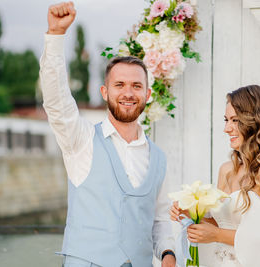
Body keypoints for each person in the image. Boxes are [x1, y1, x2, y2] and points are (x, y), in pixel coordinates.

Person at [40, 2, 176, 267]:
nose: (128, 93)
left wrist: (168, 254)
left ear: (147, 96)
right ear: (105, 92)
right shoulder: (80, 141)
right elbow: (56, 101)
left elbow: (160, 220)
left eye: (137, 86)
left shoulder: (158, 159)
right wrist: (55, 36)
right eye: (119, 85)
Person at [170, 85, 260, 266]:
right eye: (226, 120)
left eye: (235, 120)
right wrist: (188, 213)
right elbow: (221, 223)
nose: (226, 128)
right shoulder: (227, 170)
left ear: (256, 121)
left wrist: (217, 235)